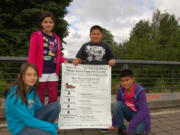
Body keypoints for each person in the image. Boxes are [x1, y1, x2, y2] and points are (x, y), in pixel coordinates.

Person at [5, 62, 60, 135]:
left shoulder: (31, 89)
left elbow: (39, 109)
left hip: (31, 118)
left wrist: (53, 126)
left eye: (35, 75)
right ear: (20, 76)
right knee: (48, 133)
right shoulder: (14, 96)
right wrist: (51, 127)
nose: (32, 78)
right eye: (29, 75)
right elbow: (27, 121)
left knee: (56, 106)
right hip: (20, 127)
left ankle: (43, 130)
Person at [28, 11, 67, 105]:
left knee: (53, 96)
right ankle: (40, 116)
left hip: (54, 72)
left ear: (53, 24)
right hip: (40, 73)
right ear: (41, 23)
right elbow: (32, 55)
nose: (48, 24)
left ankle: (50, 117)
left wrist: (63, 60)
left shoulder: (56, 38)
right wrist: (31, 71)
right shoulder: (36, 36)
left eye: (50, 22)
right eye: (45, 22)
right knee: (39, 97)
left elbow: (57, 54)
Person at [110, 69, 151, 135]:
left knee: (137, 132)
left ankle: (139, 126)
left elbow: (143, 111)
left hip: (140, 115)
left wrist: (132, 126)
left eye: (127, 80)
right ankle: (121, 129)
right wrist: (113, 123)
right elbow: (117, 108)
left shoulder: (140, 91)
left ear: (132, 79)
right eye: (122, 81)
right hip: (129, 113)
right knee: (117, 104)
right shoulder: (121, 91)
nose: (125, 83)